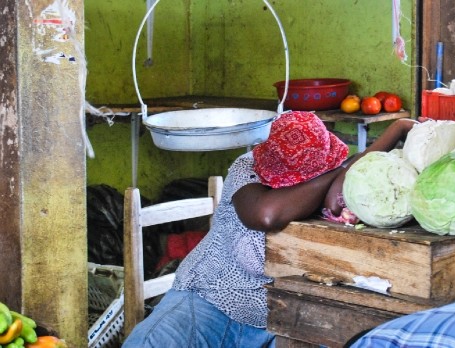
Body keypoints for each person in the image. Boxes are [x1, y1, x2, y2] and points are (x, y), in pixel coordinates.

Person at [122, 111, 420, 348]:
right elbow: (266, 216)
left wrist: (397, 130)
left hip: (273, 320)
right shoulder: (247, 168)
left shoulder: (329, 173)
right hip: (208, 300)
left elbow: (356, 168)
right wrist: (338, 173)